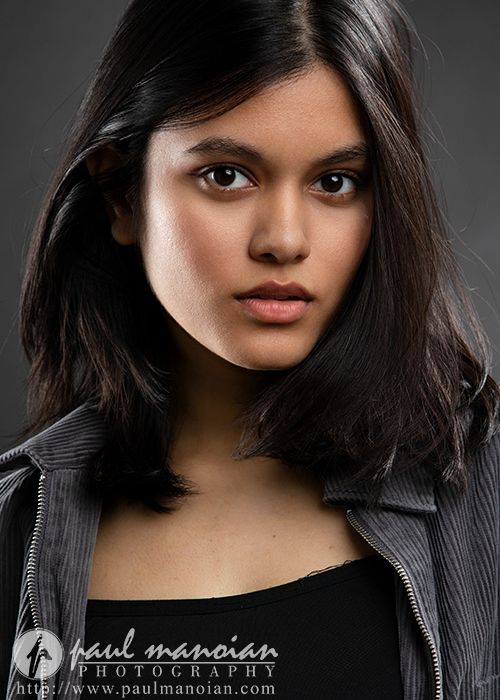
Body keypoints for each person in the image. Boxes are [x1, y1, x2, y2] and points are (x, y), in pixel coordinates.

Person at [1, 0, 499, 698]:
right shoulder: (17, 531)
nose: (284, 239)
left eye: (335, 182)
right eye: (228, 175)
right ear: (120, 196)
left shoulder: (483, 494)